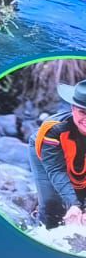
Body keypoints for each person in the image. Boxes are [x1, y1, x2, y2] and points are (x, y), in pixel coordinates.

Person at [33, 82, 86, 230]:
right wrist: (74, 205)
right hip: (46, 152)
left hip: (80, 152)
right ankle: (42, 231)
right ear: (73, 109)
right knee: (50, 202)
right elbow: (56, 171)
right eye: (83, 112)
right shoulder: (54, 130)